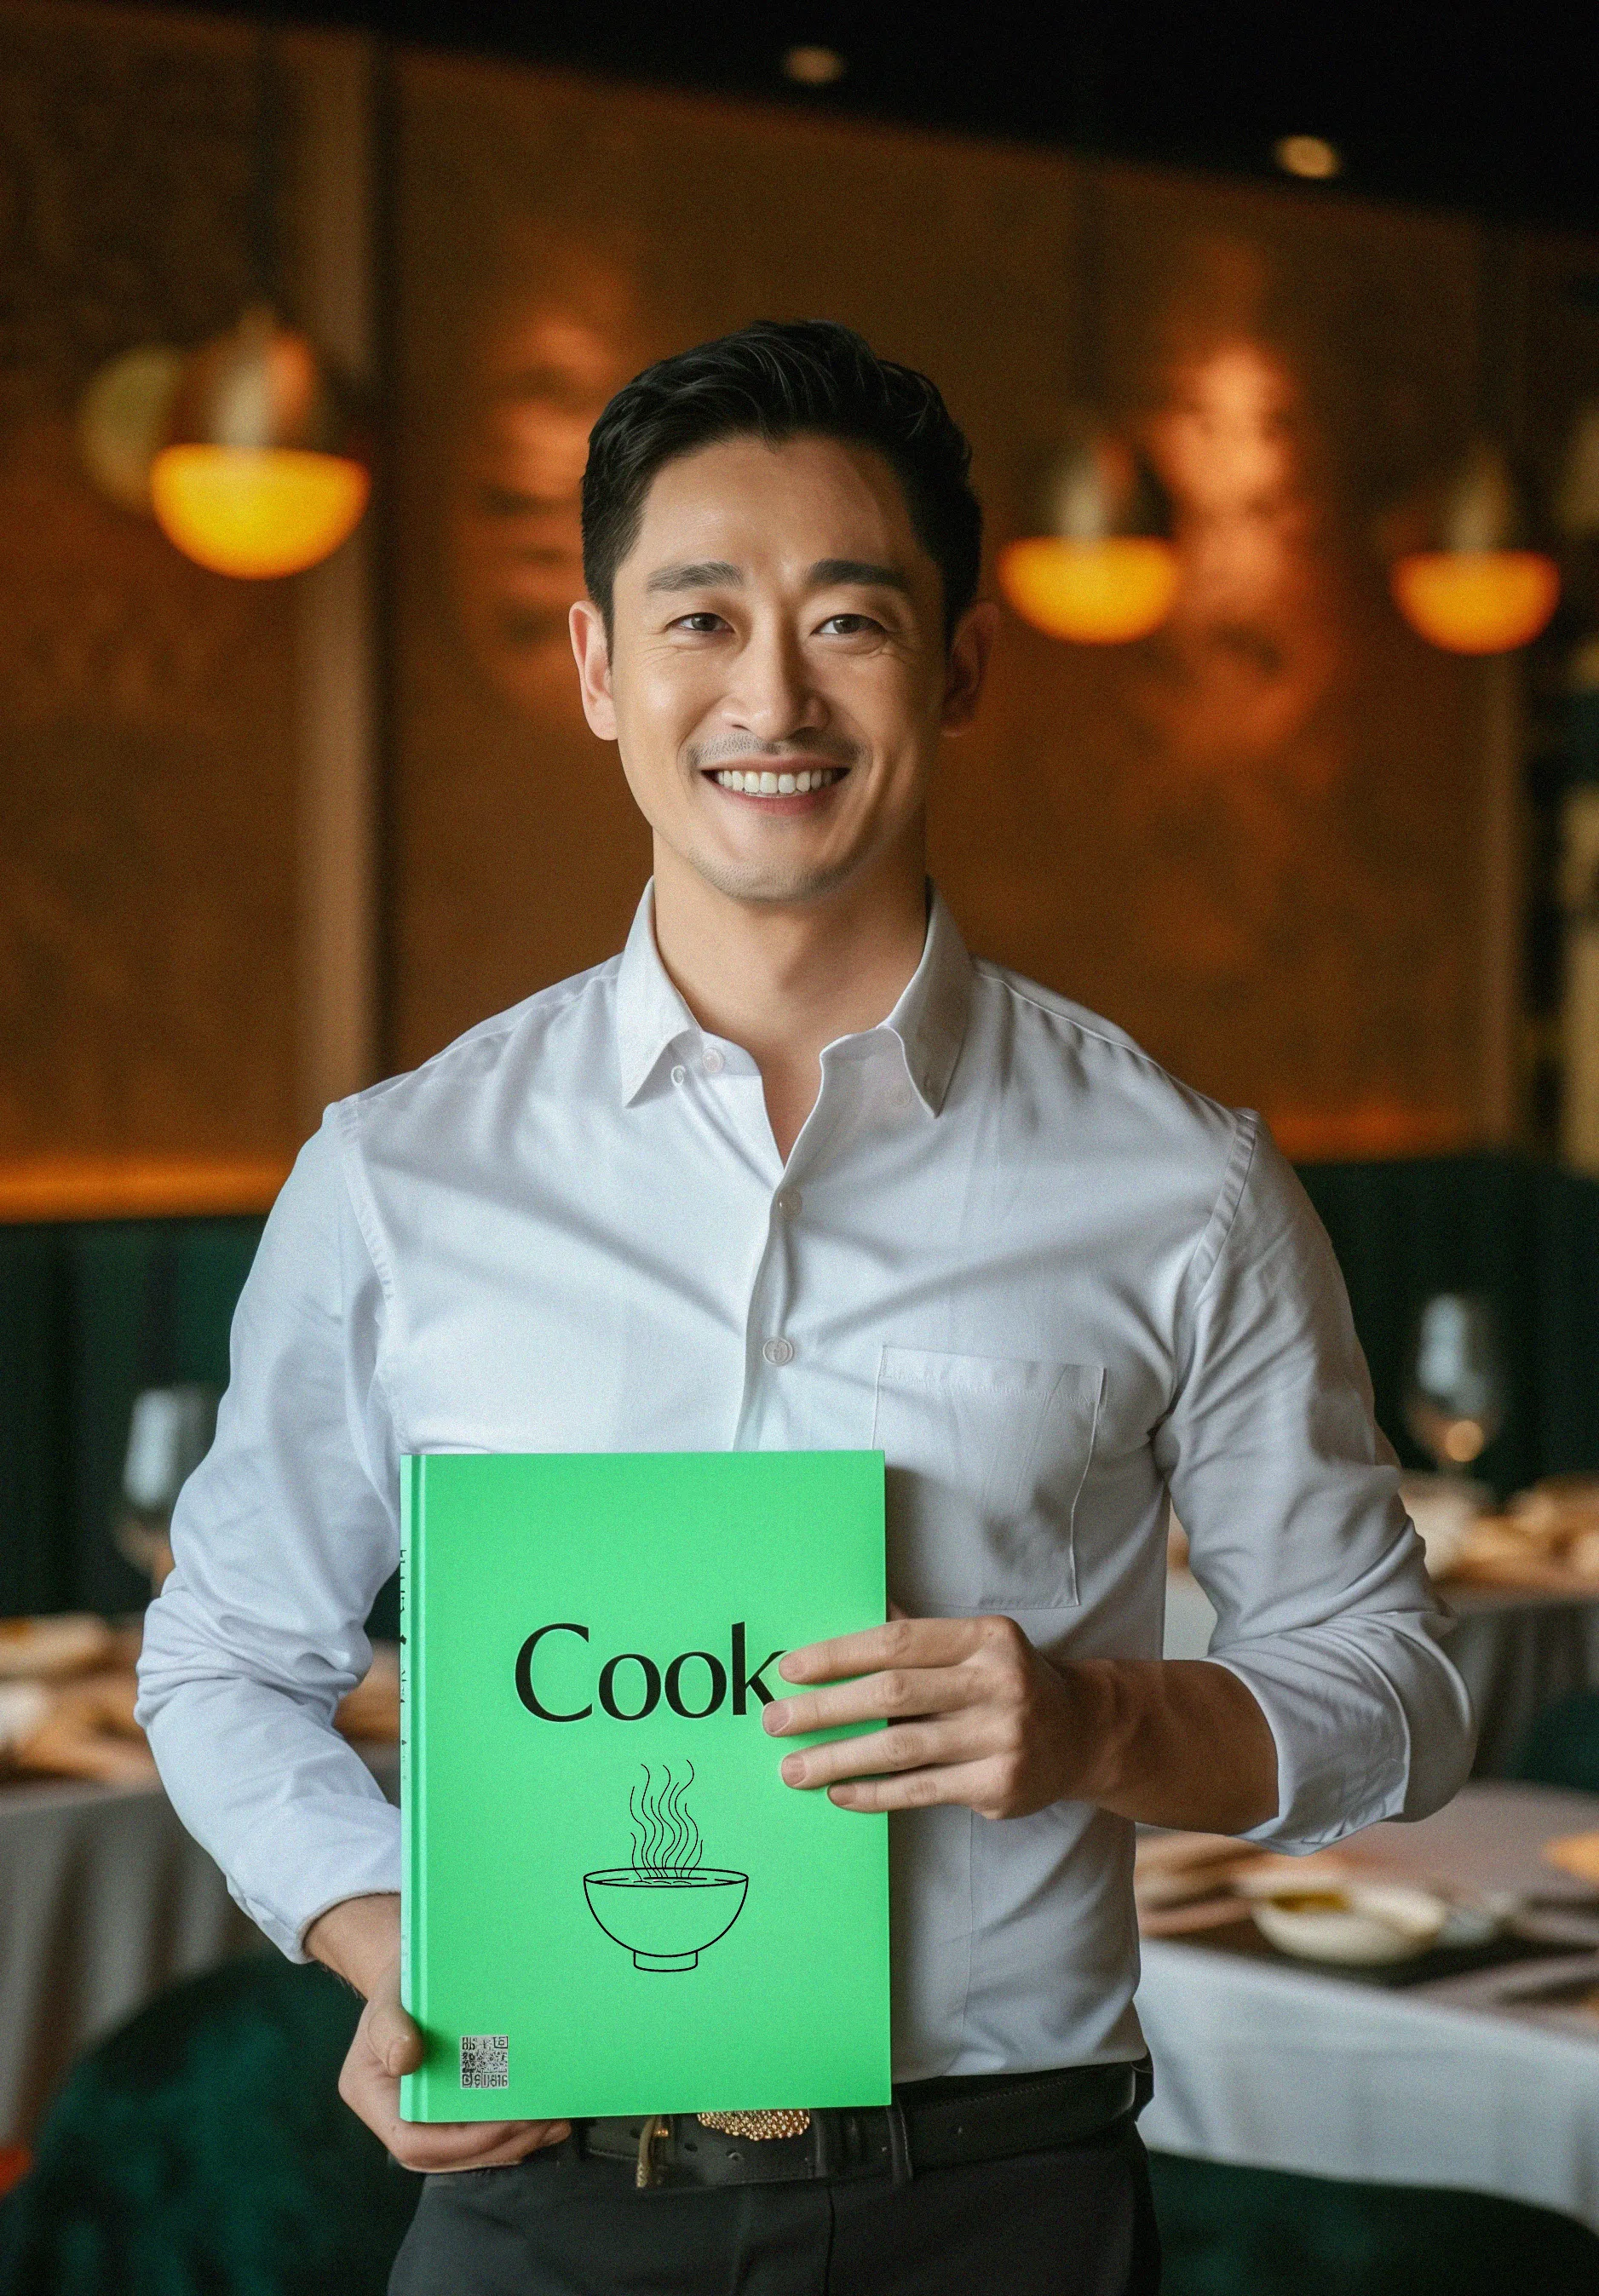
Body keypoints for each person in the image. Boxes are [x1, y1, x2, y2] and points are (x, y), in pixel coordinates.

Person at [137, 320, 1475, 2295]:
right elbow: (226, 1654)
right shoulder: (399, 1173)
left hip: (1002, 2197)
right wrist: (383, 1931)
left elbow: (1400, 1688)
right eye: (697, 617)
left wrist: (1103, 1717)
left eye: (848, 620)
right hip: (544, 2193)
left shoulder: (1179, 1180)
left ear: (958, 663)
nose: (769, 693)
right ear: (599, 668)